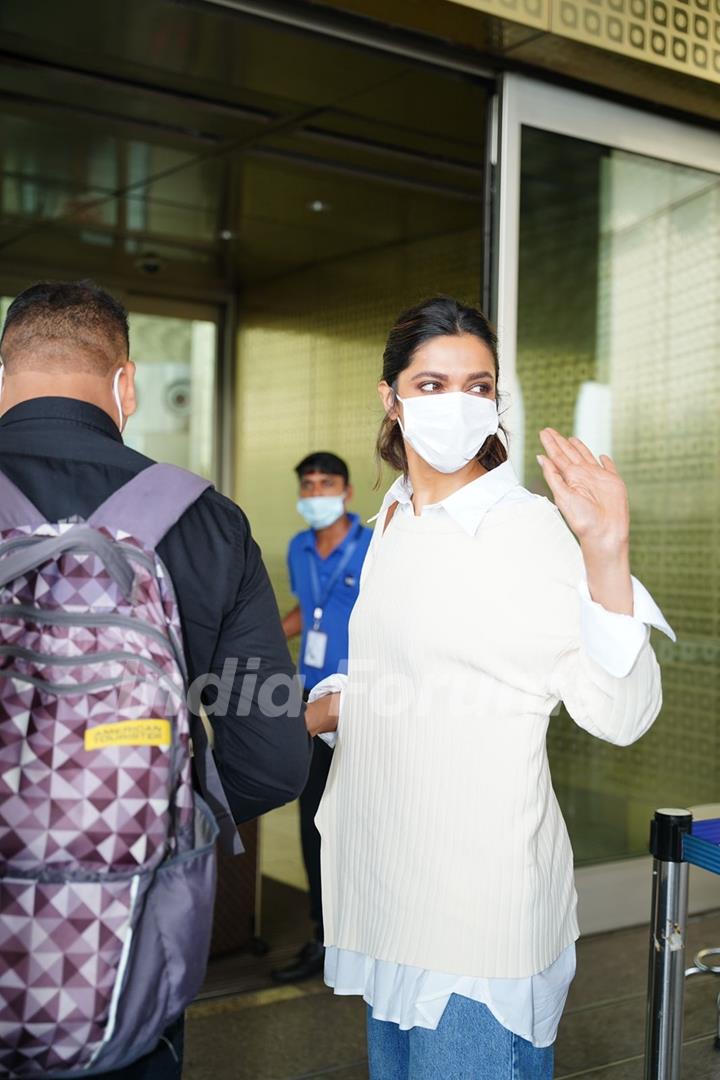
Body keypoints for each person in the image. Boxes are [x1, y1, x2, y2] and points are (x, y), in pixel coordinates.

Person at [305, 296, 675, 1079]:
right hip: (389, 891)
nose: (458, 405)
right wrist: (330, 706)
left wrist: (605, 552)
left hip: (478, 916)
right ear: (391, 399)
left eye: (478, 386)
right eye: (432, 385)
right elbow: (411, 671)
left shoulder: (525, 527)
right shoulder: (392, 518)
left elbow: (622, 711)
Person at [0, 280, 312, 1079]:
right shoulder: (207, 521)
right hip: (121, 961)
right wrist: (153, 815)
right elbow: (274, 756)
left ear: (3, 377)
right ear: (125, 384)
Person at [273, 452, 372, 983]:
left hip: (362, 698)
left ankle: (364, 931)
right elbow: (304, 609)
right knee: (313, 818)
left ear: (347, 492)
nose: (316, 493)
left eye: (325, 484)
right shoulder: (298, 547)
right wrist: (259, 637)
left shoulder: (375, 548)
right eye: (307, 484)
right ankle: (322, 935)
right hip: (310, 696)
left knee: (360, 818)